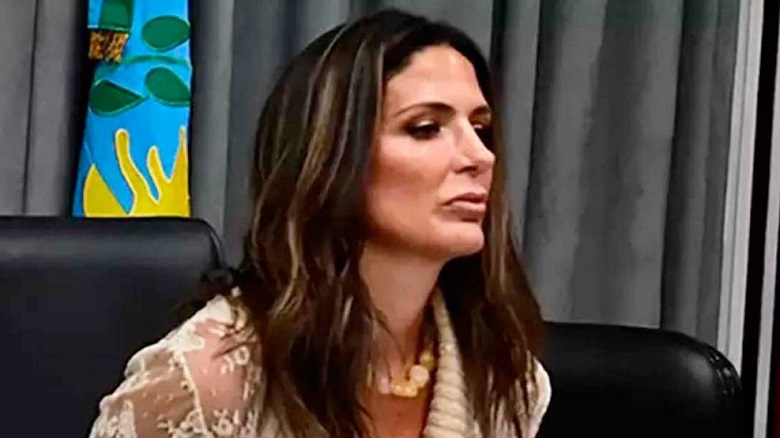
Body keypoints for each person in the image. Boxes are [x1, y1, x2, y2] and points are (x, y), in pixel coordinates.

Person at [89, 9, 551, 438]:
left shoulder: (508, 380)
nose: (481, 157)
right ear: (331, 156)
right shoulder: (205, 381)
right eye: (426, 128)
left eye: (481, 129)